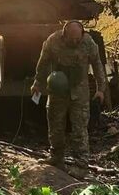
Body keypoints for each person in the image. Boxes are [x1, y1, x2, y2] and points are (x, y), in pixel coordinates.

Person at [30, 20, 107, 174]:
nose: (75, 42)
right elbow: (43, 63)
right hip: (58, 91)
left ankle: (81, 165)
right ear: (64, 35)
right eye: (72, 39)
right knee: (55, 125)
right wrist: (37, 83)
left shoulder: (88, 43)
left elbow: (97, 65)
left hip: (79, 92)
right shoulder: (53, 41)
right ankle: (56, 157)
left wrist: (101, 89)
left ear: (82, 34)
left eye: (78, 38)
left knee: (79, 129)